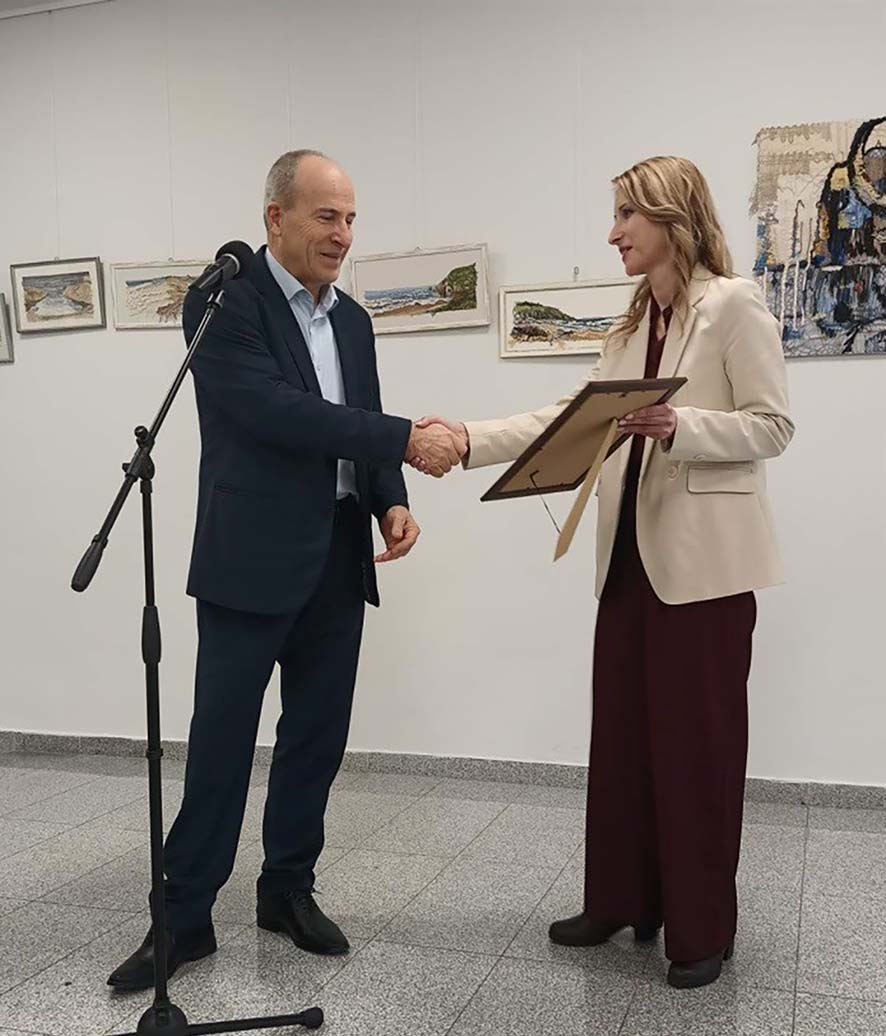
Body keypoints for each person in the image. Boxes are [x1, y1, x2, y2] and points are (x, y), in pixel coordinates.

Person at [415, 157, 793, 989]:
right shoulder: (629, 327)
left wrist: (681, 424)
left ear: (671, 217)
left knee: (696, 751)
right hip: (625, 559)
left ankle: (701, 927)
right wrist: (469, 438)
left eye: (627, 214)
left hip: (705, 570)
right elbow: (569, 417)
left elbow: (772, 425)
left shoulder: (734, 304)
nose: (613, 231)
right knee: (622, 739)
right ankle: (621, 900)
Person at [108, 150, 463, 991]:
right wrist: (405, 437)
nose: (342, 235)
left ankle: (287, 890)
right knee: (222, 742)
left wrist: (389, 498)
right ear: (276, 218)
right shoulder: (223, 303)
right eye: (325, 216)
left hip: (337, 554)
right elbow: (276, 412)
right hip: (249, 557)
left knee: (316, 736)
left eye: (350, 219)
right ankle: (184, 915)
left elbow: (357, 415)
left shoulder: (354, 322)